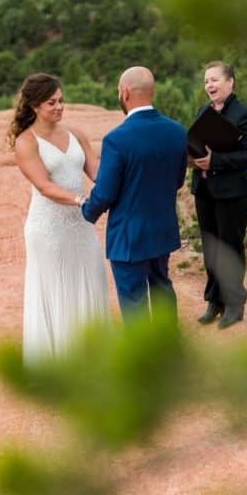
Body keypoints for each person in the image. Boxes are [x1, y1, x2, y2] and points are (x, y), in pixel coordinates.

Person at [10, 73, 111, 362]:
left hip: (81, 224)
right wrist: (82, 200)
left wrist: (118, 185)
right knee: (57, 286)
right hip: (49, 228)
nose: (59, 107)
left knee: (91, 276)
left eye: (61, 100)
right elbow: (43, 186)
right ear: (34, 106)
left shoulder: (75, 133)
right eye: (51, 102)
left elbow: (96, 171)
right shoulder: (26, 142)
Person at [82, 66, 188, 326]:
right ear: (152, 92)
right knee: (163, 288)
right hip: (162, 229)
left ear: (125, 92)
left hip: (129, 237)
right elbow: (177, 181)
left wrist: (87, 212)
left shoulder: (117, 140)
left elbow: (105, 192)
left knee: (134, 301)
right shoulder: (176, 131)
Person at [190, 61, 247, 329]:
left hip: (234, 194)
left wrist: (215, 160)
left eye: (215, 80)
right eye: (206, 80)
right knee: (210, 248)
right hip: (204, 190)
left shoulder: (245, 114)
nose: (209, 85)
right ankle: (214, 301)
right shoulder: (202, 111)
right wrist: (192, 158)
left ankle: (234, 304)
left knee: (229, 247)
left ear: (231, 82)